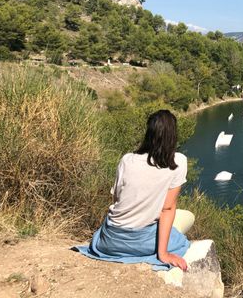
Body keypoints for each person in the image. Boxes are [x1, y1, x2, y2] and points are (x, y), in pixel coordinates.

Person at [75, 110, 194, 271]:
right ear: (173, 135)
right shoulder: (177, 161)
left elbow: (117, 199)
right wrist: (163, 254)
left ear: (149, 133)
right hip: (140, 241)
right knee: (185, 223)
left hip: (110, 241)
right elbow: (167, 208)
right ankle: (158, 249)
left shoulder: (127, 160)